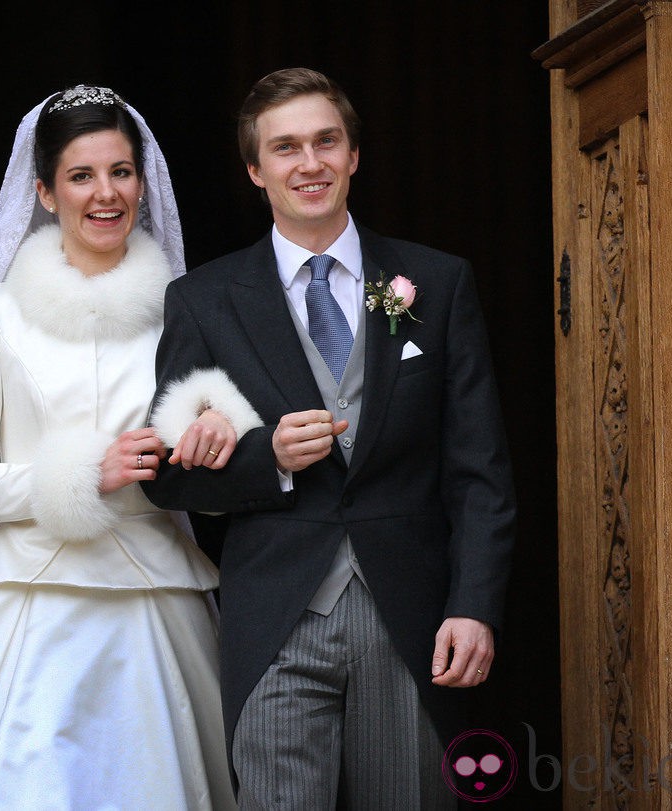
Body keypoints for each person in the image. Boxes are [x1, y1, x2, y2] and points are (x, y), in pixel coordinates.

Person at [142, 68, 517, 808]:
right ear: (256, 169)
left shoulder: (435, 284)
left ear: (353, 156)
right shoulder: (205, 298)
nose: (308, 163)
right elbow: (167, 475)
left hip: (412, 619)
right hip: (276, 616)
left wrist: (474, 604)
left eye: (325, 142)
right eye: (285, 148)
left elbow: (480, 471)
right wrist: (266, 458)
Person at [0, 85, 253, 810]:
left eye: (121, 171)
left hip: (153, 596)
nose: (106, 193)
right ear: (45, 192)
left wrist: (218, 429)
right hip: (32, 602)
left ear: (142, 182)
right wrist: (82, 474)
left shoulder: (184, 308)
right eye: (81, 175)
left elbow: (224, 428)